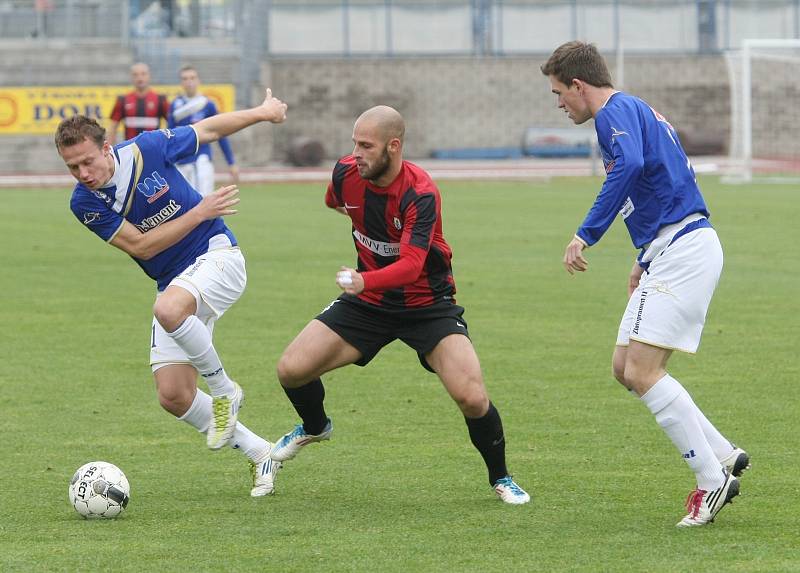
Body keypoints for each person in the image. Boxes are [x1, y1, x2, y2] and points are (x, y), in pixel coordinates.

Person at [269, 105, 530, 505]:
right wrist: (366, 246)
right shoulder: (345, 172)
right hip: (368, 304)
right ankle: (315, 426)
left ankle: (502, 477)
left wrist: (363, 279)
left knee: (472, 397)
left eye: (366, 146)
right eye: (354, 143)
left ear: (394, 146)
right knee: (291, 369)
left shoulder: (420, 192)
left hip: (427, 304)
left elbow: (410, 266)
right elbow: (333, 201)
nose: (357, 153)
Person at [541, 41, 749, 527]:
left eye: (558, 93)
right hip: (667, 250)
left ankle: (710, 480)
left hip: (685, 249)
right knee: (624, 367)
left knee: (642, 370)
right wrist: (643, 257)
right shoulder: (628, 112)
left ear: (578, 84)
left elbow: (633, 168)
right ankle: (722, 453)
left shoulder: (616, 112)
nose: (558, 103)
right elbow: (655, 181)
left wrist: (585, 233)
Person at [55, 89, 288, 497]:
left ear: (107, 149)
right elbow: (143, 247)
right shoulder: (84, 202)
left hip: (219, 258)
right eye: (72, 167)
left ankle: (224, 390)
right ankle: (260, 452)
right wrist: (199, 211)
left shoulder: (147, 148)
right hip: (176, 283)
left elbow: (209, 128)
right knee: (174, 395)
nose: (83, 173)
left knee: (168, 308)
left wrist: (263, 112)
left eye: (88, 161)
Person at [168, 65, 239, 197]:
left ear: (198, 80)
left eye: (192, 78)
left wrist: (231, 162)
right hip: (181, 162)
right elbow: (169, 135)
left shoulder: (207, 104)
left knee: (204, 199)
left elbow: (221, 134)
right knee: (183, 204)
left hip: (201, 160)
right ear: (181, 82)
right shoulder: (175, 105)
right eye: (185, 78)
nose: (189, 81)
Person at [108, 62, 170, 145]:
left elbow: (172, 124)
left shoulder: (160, 99)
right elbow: (112, 127)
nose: (140, 78)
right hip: (130, 152)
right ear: (131, 78)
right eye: (135, 75)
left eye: (143, 74)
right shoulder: (123, 100)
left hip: (154, 151)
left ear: (149, 76)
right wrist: (110, 151)